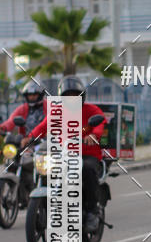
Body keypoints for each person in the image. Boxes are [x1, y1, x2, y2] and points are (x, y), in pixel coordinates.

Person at [21, 76, 106, 232]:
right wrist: (30, 137)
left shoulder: (92, 110)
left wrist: (92, 135)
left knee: (87, 169)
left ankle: (92, 212)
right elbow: (43, 126)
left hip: (87, 154)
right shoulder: (58, 111)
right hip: (63, 153)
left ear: (81, 96)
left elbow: (99, 124)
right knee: (46, 169)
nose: (71, 98)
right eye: (68, 95)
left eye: (75, 94)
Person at [0, 79, 47, 196]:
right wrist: (1, 128)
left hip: (44, 143)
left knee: (43, 169)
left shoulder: (49, 107)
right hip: (25, 143)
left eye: (34, 94)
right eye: (29, 95)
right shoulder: (23, 108)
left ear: (41, 94)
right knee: (13, 158)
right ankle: (19, 190)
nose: (31, 97)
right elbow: (11, 120)